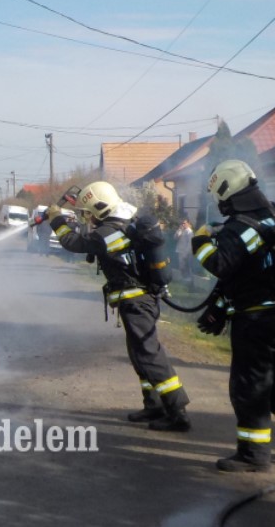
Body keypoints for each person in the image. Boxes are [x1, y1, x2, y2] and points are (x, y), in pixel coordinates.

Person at [191, 160, 275, 472]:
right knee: (273, 376)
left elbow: (221, 264)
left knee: (249, 385)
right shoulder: (272, 214)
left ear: (227, 191)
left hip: (259, 320)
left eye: (219, 197)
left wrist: (199, 243)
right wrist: (220, 308)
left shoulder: (244, 226)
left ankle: (253, 454)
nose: (218, 204)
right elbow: (244, 273)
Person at [44, 181, 192, 432]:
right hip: (138, 299)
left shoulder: (107, 233)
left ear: (99, 209)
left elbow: (73, 243)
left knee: (149, 354)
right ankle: (153, 404)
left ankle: (177, 412)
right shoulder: (123, 223)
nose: (87, 218)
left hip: (136, 301)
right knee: (139, 354)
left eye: (88, 212)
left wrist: (56, 219)